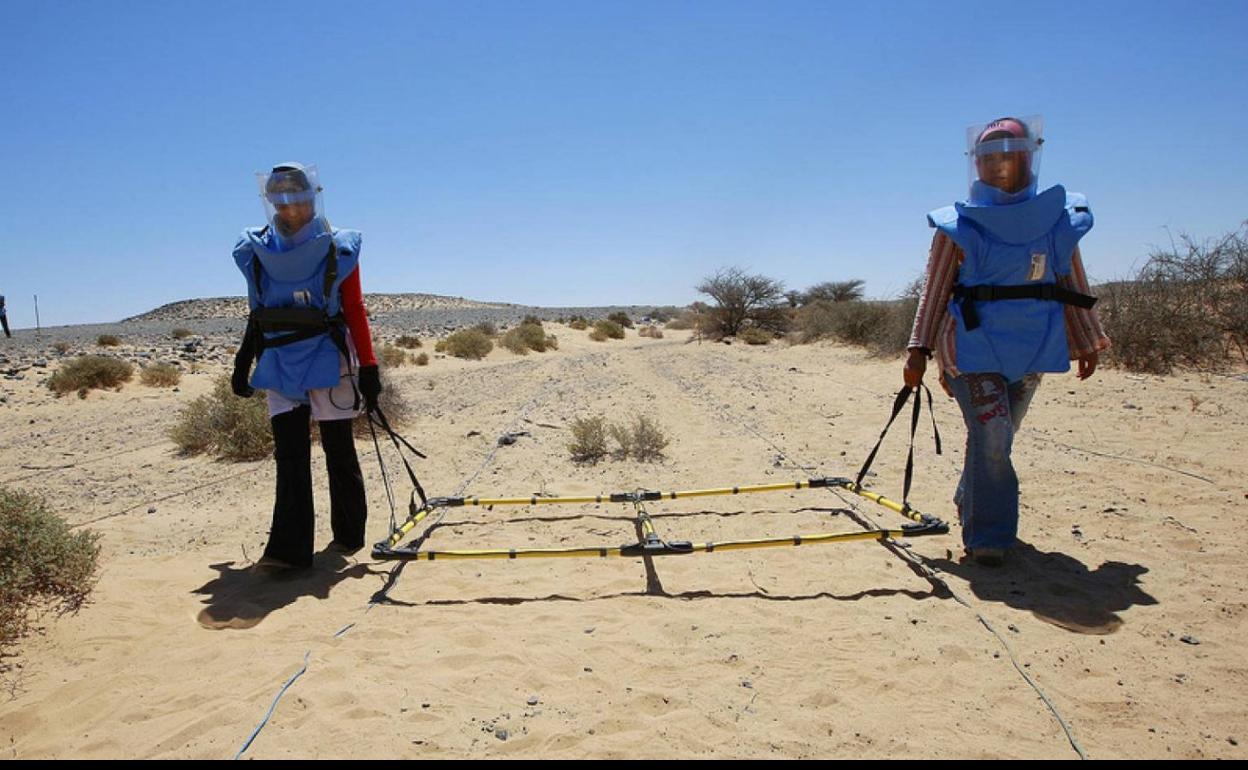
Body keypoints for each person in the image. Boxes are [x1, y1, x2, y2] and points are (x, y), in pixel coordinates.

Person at [904, 116, 1110, 567]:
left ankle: (972, 500)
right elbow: (935, 289)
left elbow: (1069, 279)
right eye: (990, 157)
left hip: (1033, 344)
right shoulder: (957, 225)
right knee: (993, 436)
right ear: (977, 164)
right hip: (971, 347)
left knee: (996, 440)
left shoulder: (1057, 220)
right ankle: (990, 539)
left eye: (1008, 156)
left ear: (1027, 158)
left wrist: (1087, 339)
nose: (999, 166)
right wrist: (918, 350)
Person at [231, 162, 382, 570]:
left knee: (338, 448)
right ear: (271, 200)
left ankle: (349, 534)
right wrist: (245, 357)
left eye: (296, 195)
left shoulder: (339, 246)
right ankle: (288, 551)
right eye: (280, 196)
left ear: (310, 196)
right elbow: (257, 310)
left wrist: (368, 366)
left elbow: (353, 307)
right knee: (290, 454)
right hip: (278, 356)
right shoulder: (257, 249)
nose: (290, 205)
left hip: (327, 356)